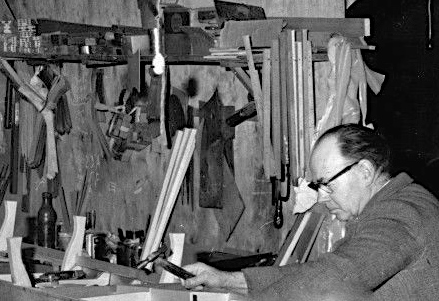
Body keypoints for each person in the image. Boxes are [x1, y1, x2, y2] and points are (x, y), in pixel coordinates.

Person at [184, 124, 439, 301]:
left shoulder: (402, 213)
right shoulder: (391, 205)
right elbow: (322, 272)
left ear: (365, 171)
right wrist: (227, 281)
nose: (321, 197)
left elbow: (334, 278)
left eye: (326, 184)